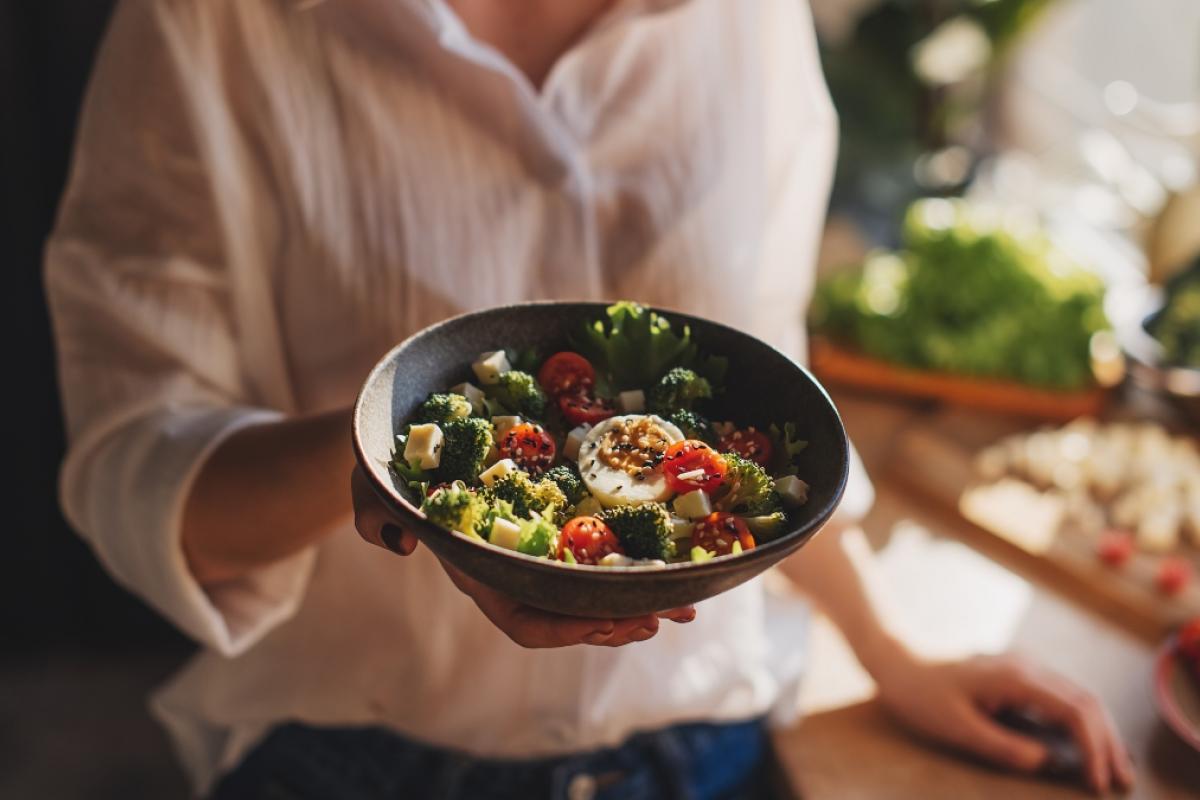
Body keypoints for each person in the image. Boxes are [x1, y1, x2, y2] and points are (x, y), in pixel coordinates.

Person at [45, 0, 1134, 797]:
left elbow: (754, 398)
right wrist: (382, 457)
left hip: (705, 750)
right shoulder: (208, 24)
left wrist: (896, 651)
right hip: (358, 759)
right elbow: (135, 470)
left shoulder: (748, 20)